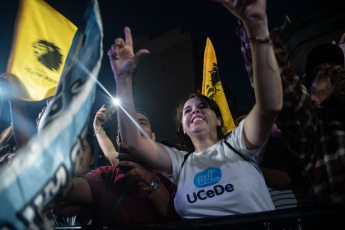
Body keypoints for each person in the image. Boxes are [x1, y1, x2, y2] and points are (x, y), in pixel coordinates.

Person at [109, 0, 282, 219]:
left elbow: (270, 104)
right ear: (183, 126)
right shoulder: (181, 163)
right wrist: (123, 79)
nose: (195, 112)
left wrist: (256, 26)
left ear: (218, 120)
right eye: (187, 111)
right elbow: (133, 142)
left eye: (203, 107)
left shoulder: (240, 144)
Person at [239, 14, 345, 207]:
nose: (332, 77)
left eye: (337, 70)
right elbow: (277, 82)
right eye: (322, 73)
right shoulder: (313, 123)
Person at [54, 109, 179, 226]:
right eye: (127, 124)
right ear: (118, 139)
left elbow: (176, 216)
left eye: (141, 122)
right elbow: (66, 189)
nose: (134, 127)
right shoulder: (107, 176)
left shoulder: (172, 171)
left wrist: (148, 178)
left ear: (153, 136)